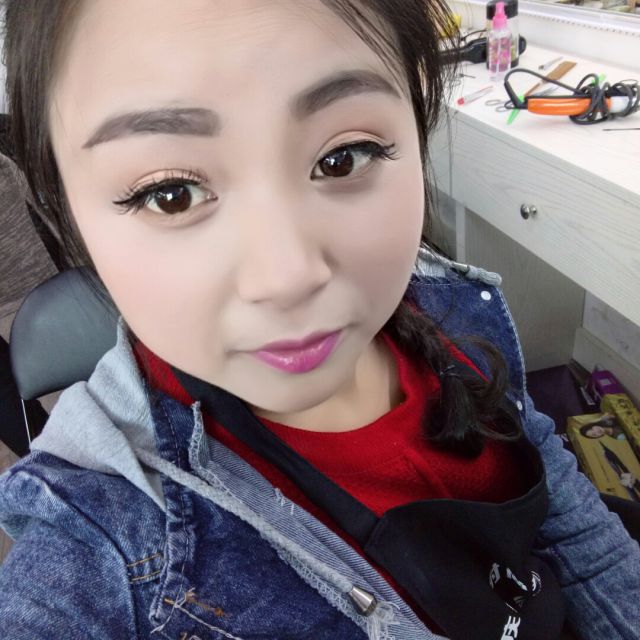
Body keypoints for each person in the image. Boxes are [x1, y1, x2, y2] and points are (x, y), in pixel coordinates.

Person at [0, 1, 638, 639]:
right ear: (63, 209)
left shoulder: (448, 306)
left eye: (343, 157)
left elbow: (582, 539)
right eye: (171, 195)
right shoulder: (101, 545)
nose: (289, 277)